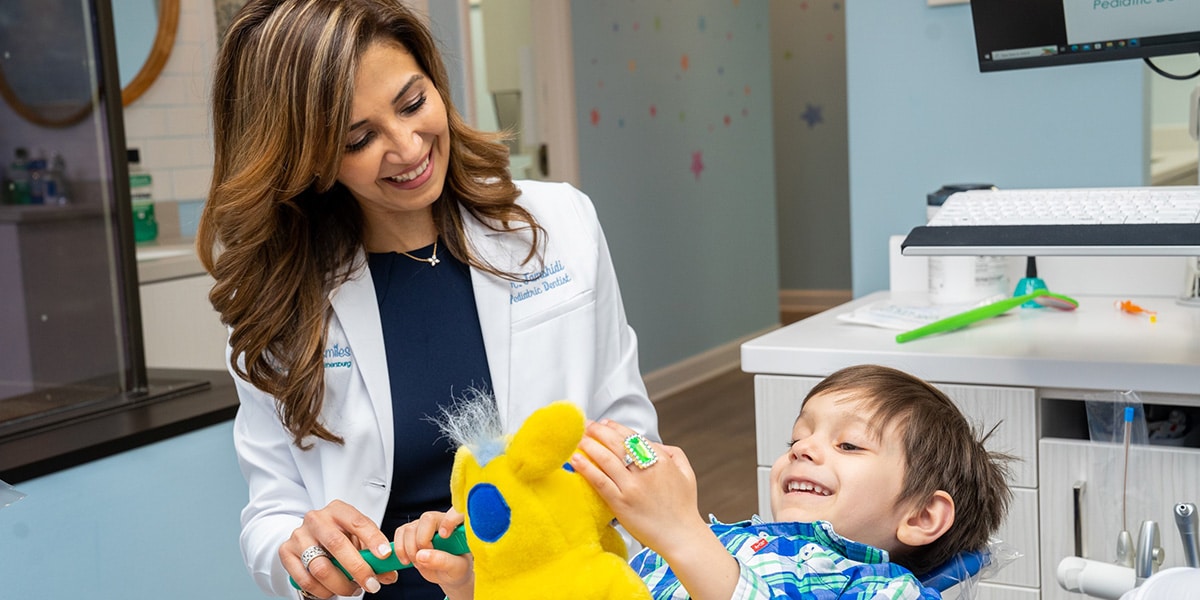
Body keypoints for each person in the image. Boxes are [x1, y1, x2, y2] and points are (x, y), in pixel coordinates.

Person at [195, 1, 658, 599]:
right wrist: (301, 553)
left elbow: (629, 428)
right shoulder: (283, 299)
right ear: (308, 159)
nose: (409, 146)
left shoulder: (558, 222)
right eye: (360, 138)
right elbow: (272, 511)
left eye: (413, 103)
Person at [398, 364, 1012, 599]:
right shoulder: (737, 546)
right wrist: (478, 583)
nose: (803, 451)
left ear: (922, 516)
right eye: (797, 438)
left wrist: (681, 531)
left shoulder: (887, 593)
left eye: (847, 444)